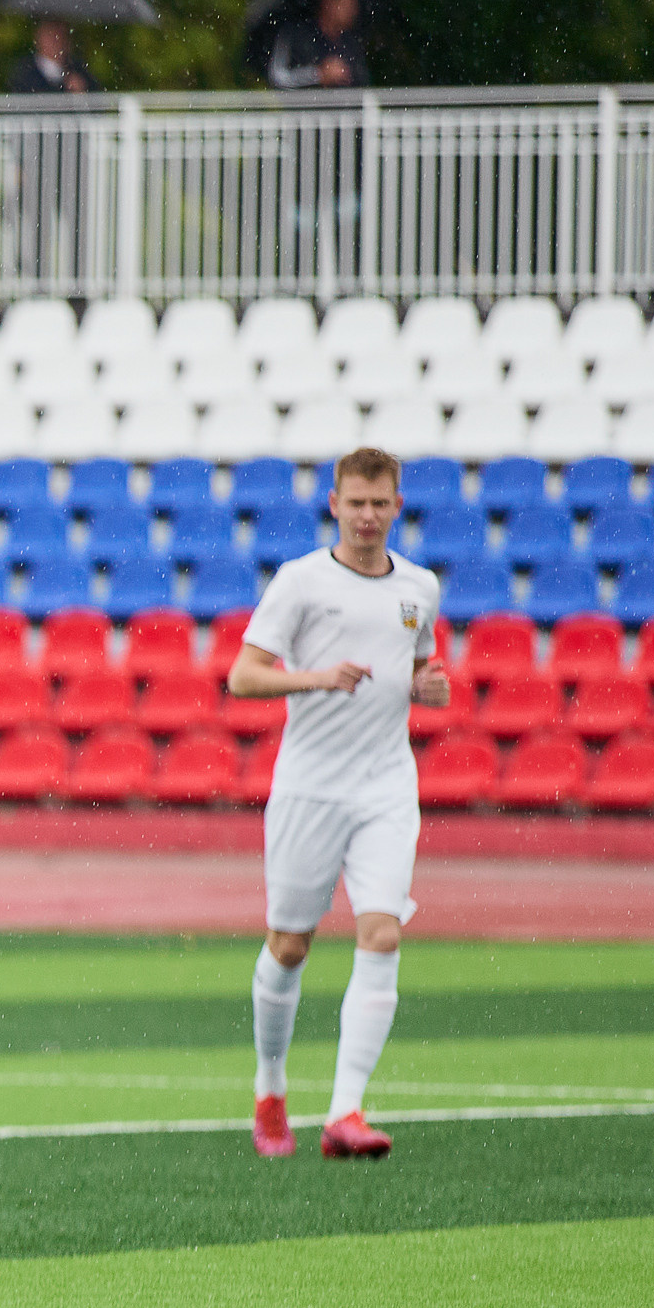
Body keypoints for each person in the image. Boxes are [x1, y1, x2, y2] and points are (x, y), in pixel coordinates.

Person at [226, 448, 449, 1160]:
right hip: (310, 784)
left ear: (397, 507)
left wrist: (427, 688)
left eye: (379, 503)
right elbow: (243, 676)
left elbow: (416, 666)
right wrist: (318, 677)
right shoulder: (301, 582)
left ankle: (346, 1112)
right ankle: (269, 1090)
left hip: (386, 783)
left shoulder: (419, 586)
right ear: (334, 503)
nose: (367, 515)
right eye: (355, 502)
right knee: (290, 944)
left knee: (382, 932)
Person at [7, 20, 96, 286]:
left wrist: (81, 93)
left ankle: (77, 287)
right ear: (38, 40)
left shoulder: (78, 71)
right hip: (37, 163)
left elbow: (100, 107)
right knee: (38, 226)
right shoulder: (23, 74)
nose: (57, 43)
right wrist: (20, 162)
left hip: (72, 163)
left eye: (60, 37)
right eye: (51, 37)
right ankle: (38, 286)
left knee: (77, 226)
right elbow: (16, 119)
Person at [268, 0, 368, 90]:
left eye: (353, 5)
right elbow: (277, 78)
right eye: (345, 3)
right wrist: (317, 75)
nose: (352, 11)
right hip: (304, 105)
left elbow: (363, 86)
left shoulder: (351, 43)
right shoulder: (295, 34)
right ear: (327, 3)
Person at [8, 19, 97, 95]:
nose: (57, 41)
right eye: (51, 36)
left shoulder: (78, 68)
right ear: (39, 39)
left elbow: (96, 96)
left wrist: (81, 91)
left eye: (62, 35)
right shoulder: (25, 71)